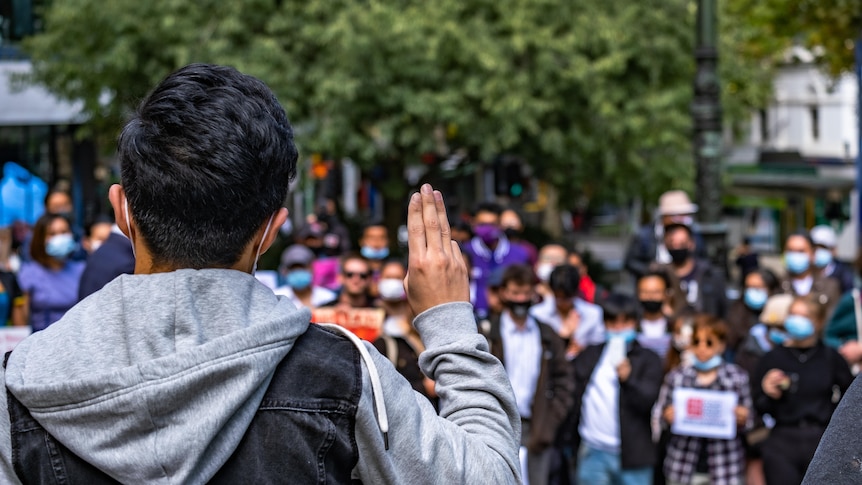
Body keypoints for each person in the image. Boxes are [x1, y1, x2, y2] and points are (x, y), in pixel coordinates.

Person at [0, 64, 520, 484]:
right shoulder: (342, 376)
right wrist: (449, 324)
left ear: (122, 213)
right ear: (271, 230)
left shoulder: (19, 385)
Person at [480, 264, 572, 485]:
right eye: (514, 293)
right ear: (503, 293)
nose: (520, 299)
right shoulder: (487, 333)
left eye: (525, 293)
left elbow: (564, 381)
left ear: (534, 293)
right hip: (496, 424)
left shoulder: (546, 334)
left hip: (536, 425)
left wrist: (550, 422)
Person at [752, 296, 853, 485]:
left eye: (804, 316)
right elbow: (758, 406)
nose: (797, 321)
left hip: (821, 439)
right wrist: (767, 392)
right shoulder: (772, 358)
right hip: (782, 440)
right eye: (793, 315)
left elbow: (849, 399)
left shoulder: (830, 358)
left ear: (819, 322)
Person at [568, 292, 664, 484]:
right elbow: (567, 386)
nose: (619, 329)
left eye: (625, 322)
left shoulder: (648, 359)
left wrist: (629, 379)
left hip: (634, 457)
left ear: (635, 323)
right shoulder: (590, 354)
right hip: (592, 452)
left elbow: (647, 401)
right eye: (613, 323)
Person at [657, 315, 753, 485]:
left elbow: (750, 421)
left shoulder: (737, 378)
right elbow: (659, 417)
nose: (702, 348)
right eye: (696, 342)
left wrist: (742, 418)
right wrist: (667, 416)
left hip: (725, 468)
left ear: (722, 345)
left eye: (709, 342)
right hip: (682, 466)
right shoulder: (677, 376)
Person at [372, 259, 435, 402]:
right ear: (379, 280)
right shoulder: (367, 314)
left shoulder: (417, 318)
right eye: (388, 278)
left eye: (397, 278)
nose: (392, 283)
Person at [17, 214, 86, 331]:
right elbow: (21, 320)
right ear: (40, 239)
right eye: (52, 234)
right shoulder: (28, 273)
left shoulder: (82, 269)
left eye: (64, 232)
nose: (60, 238)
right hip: (40, 343)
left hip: (76, 341)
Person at [462, 202, 530, 319]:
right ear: (473, 224)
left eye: (492, 224)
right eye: (482, 224)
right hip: (473, 318)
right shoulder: (465, 252)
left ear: (500, 225)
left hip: (509, 320)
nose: (487, 229)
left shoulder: (519, 254)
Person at [625, 190, 705, 279]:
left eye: (686, 215)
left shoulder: (695, 236)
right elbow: (630, 262)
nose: (683, 220)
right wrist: (651, 270)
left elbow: (702, 260)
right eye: (678, 216)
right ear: (665, 216)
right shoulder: (645, 236)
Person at [530, 264, 605, 359]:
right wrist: (563, 339)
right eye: (558, 297)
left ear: (576, 292)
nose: (563, 303)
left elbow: (598, 348)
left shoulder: (593, 313)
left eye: (567, 297)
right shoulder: (537, 314)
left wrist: (582, 349)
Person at [663, 223, 727, 319]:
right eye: (672, 244)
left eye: (682, 243)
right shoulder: (660, 274)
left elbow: (724, 310)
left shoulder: (710, 274)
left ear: (691, 243)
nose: (677, 248)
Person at [778, 232, 842, 321]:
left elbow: (833, 322)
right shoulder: (778, 284)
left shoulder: (830, 286)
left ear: (813, 254)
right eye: (790, 251)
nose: (795, 256)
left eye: (801, 251)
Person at [725, 268, 780, 360]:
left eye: (757, 288)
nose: (752, 292)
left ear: (771, 289)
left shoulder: (780, 313)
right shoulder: (737, 311)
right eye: (748, 287)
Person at [77, 223, 136, 301]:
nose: (103, 244)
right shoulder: (124, 262)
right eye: (100, 239)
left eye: (106, 240)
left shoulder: (98, 257)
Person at [273, 244, 335, 309]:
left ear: (312, 269)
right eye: (293, 269)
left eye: (302, 268)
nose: (298, 272)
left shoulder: (328, 298)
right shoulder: (276, 298)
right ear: (284, 272)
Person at [636, 269, 679, 360]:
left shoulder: (675, 325)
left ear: (666, 294)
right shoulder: (631, 325)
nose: (650, 297)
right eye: (645, 292)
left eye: (656, 292)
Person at [809, 225, 854, 294]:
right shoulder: (806, 271)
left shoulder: (843, 274)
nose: (818, 252)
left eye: (823, 247)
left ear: (834, 250)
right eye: (815, 248)